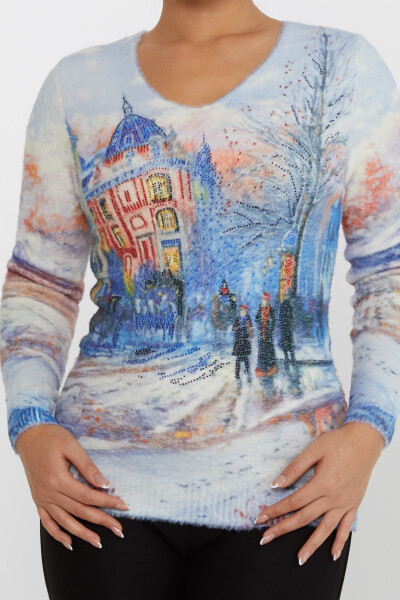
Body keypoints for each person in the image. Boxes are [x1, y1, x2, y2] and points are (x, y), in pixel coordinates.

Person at [1, 1, 400, 598]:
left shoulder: (344, 65)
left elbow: (387, 272)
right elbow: (40, 283)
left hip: (291, 492)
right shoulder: (76, 84)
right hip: (97, 493)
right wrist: (31, 425)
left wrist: (369, 429)